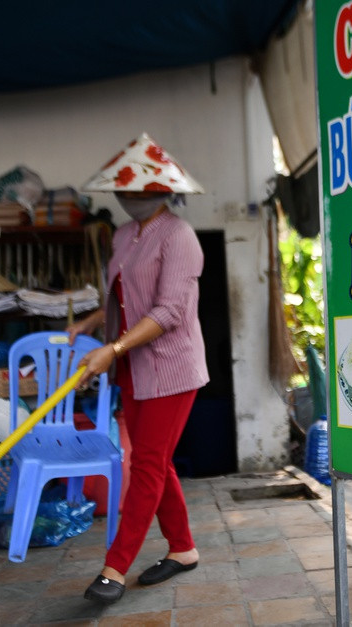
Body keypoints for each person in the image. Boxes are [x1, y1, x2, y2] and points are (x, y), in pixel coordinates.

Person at [70, 134, 209, 605]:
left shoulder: (179, 236)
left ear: (162, 190)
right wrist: (93, 320)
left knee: (146, 464)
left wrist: (112, 349)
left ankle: (115, 567)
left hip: (172, 368)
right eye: (122, 189)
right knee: (156, 461)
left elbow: (169, 311)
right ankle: (183, 549)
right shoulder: (124, 235)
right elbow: (128, 295)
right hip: (133, 366)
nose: (127, 196)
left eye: (136, 189)